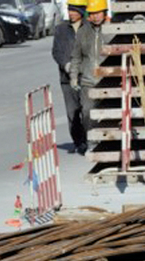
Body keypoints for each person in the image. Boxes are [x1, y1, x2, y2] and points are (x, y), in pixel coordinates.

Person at [70, 0, 108, 149]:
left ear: (105, 13)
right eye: (92, 14)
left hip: (108, 82)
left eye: (98, 13)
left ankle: (109, 141)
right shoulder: (82, 32)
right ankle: (92, 141)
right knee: (87, 112)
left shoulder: (113, 31)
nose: (96, 16)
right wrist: (74, 77)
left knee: (109, 114)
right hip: (88, 82)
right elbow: (76, 57)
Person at [51, 0, 88, 155]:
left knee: (87, 110)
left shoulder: (89, 28)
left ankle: (88, 139)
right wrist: (65, 64)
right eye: (69, 10)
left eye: (74, 10)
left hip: (86, 77)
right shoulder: (61, 29)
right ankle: (78, 141)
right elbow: (56, 51)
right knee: (72, 112)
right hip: (67, 79)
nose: (71, 13)